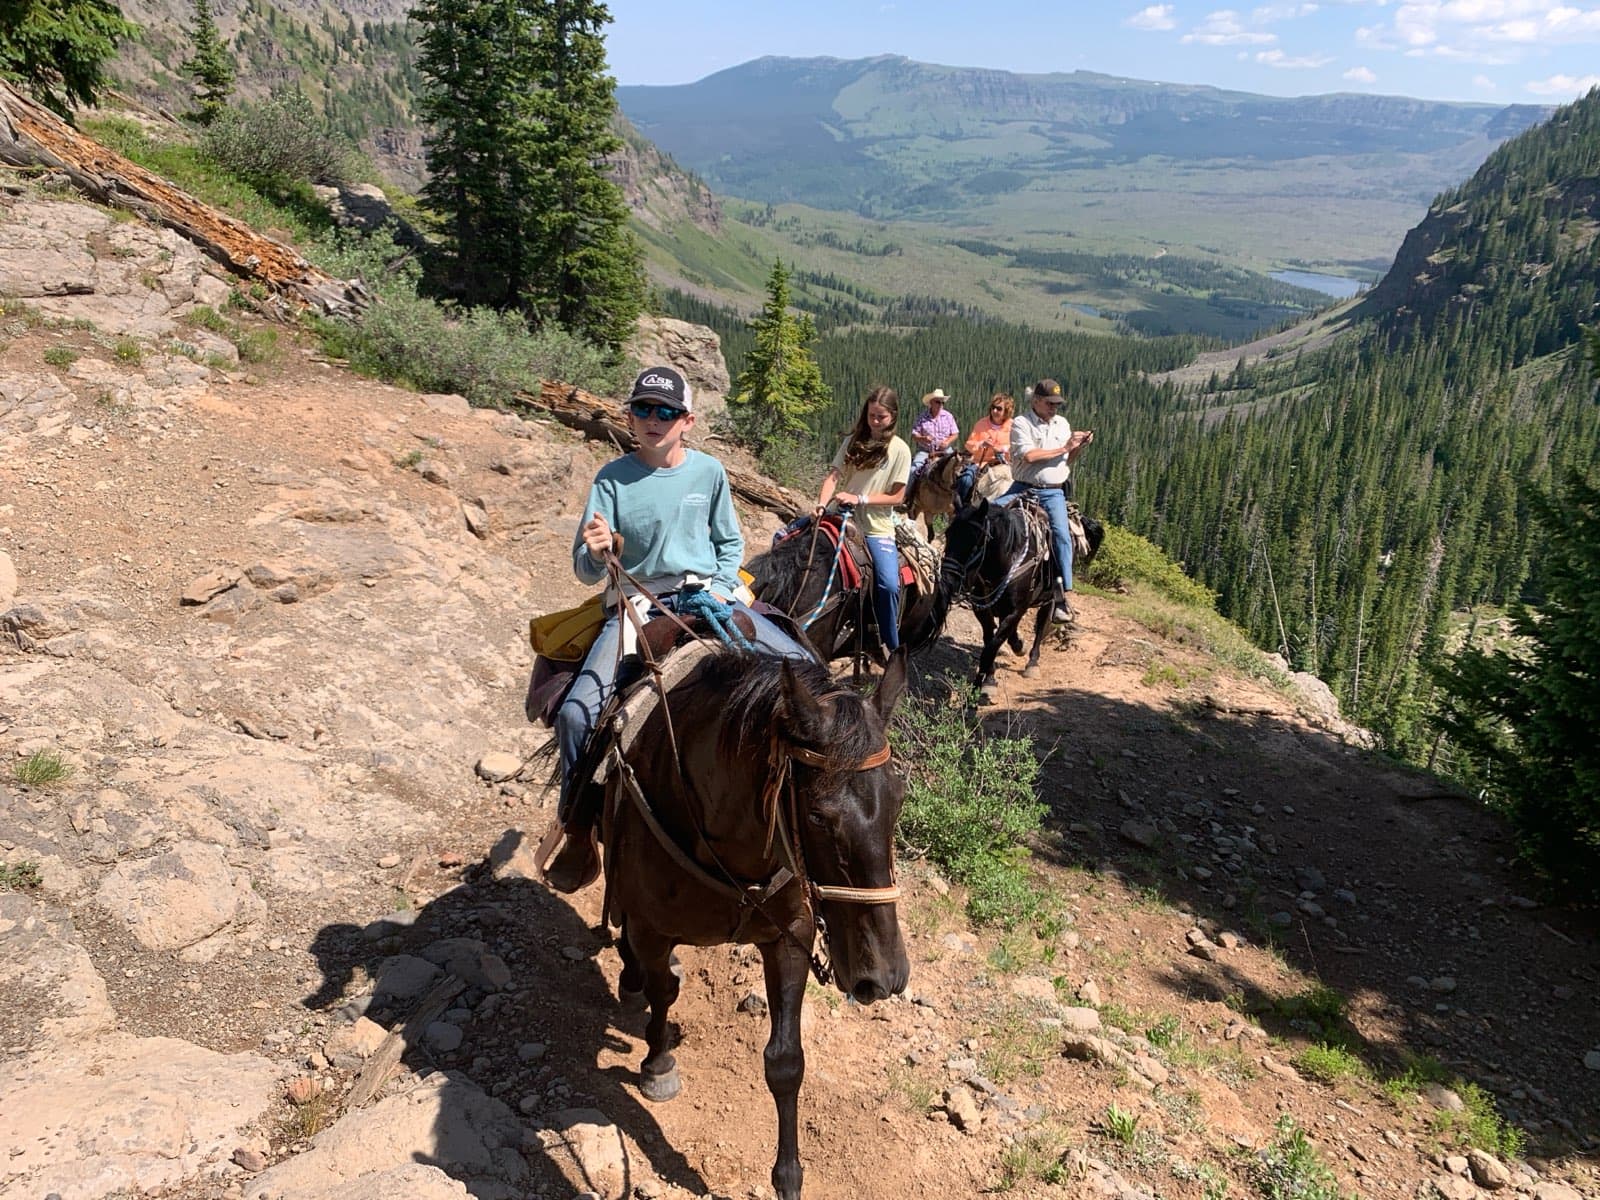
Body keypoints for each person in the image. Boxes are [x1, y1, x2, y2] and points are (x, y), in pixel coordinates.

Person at [546, 365, 813, 893]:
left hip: (707, 594)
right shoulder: (611, 479)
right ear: (629, 415)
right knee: (578, 714)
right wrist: (598, 553)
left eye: (665, 411)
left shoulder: (709, 473)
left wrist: (716, 589)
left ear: (687, 420)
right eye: (642, 408)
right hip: (636, 605)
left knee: (806, 675)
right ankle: (579, 828)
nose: (653, 419)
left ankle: (806, 812)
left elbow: (730, 545)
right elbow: (584, 566)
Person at [814, 386, 912, 652]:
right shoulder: (854, 441)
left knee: (889, 584)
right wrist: (822, 504)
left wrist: (861, 499)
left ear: (893, 416)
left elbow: (897, 497)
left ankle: (891, 646)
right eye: (871, 416)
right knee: (789, 538)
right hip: (842, 515)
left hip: (877, 526)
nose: (875, 422)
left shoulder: (900, 450)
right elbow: (834, 476)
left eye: (881, 416)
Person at [998, 379, 1092, 623]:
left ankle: (1062, 595)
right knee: (989, 515)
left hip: (1053, 491)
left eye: (1057, 404)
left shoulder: (1062, 424)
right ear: (1036, 401)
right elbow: (1028, 456)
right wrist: (1064, 447)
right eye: (1050, 403)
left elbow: (1067, 460)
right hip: (1022, 487)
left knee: (1061, 533)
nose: (1054, 408)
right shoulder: (1022, 423)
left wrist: (1077, 447)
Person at [956, 392, 1015, 507]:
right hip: (980, 463)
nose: (995, 411)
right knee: (966, 480)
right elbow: (969, 444)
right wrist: (981, 443)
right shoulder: (981, 424)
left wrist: (1000, 448)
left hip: (1005, 464)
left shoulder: (1013, 426)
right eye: (993, 407)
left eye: (999, 409)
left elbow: (1015, 446)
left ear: (1006, 411)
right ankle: (961, 510)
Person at [905, 388, 959, 509]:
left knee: (958, 469)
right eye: (938, 402)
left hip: (945, 450)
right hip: (926, 451)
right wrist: (923, 438)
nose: (941, 405)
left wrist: (947, 442)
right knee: (914, 469)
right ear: (931, 402)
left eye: (942, 402)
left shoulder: (948, 416)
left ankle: (959, 501)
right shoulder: (922, 417)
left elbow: (955, 433)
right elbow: (914, 434)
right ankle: (907, 498)